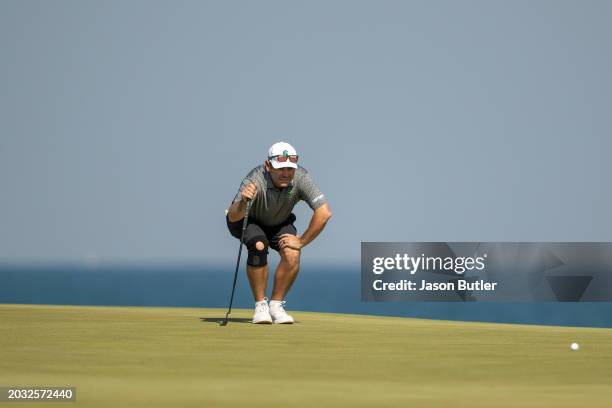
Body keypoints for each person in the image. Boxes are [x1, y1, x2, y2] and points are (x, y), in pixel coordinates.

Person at [226, 142, 332, 324]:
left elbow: (324, 212)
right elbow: (234, 216)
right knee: (259, 245)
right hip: (247, 219)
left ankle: (275, 306)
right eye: (280, 169)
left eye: (290, 169)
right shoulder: (255, 178)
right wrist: (244, 201)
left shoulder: (301, 178)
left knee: (292, 253)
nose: (286, 173)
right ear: (268, 166)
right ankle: (261, 306)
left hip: (279, 221)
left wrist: (302, 241)